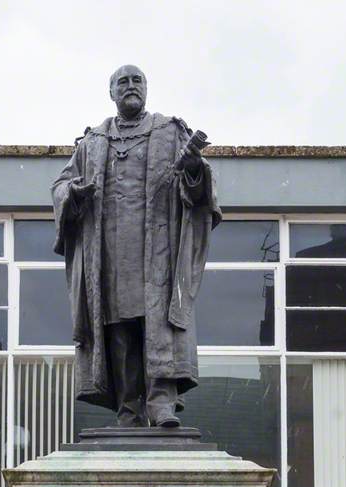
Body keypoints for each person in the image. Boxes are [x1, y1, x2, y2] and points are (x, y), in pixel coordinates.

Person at [52, 65, 220, 427]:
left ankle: (161, 404)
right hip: (109, 253)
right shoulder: (92, 142)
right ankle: (129, 408)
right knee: (119, 328)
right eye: (122, 82)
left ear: (147, 89)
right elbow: (61, 185)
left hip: (158, 250)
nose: (131, 87)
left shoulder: (170, 132)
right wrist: (73, 195)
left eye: (137, 81)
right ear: (111, 93)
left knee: (157, 323)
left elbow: (199, 190)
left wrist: (192, 169)